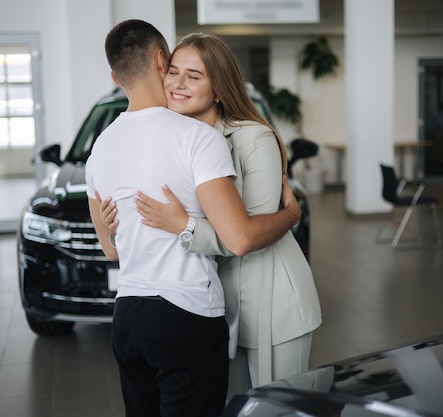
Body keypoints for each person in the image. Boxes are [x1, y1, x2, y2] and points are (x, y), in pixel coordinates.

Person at [86, 20, 301, 417]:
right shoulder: (198, 139)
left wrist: (153, 226)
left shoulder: (101, 145)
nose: (179, 83)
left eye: (194, 75)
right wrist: (292, 213)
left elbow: (110, 250)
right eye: (174, 71)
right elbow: (239, 238)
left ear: (115, 77)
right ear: (160, 61)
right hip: (185, 312)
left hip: (128, 316)